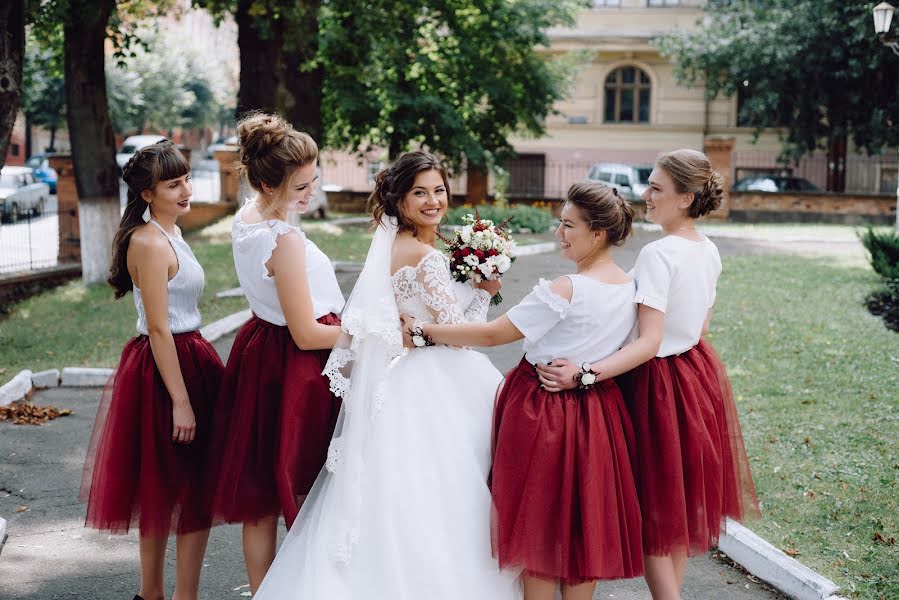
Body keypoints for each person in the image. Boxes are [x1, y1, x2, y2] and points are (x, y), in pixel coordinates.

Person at [251, 151, 520, 600]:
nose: (433, 201)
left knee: (404, 489)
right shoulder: (427, 257)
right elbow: (457, 335)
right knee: (446, 489)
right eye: (420, 192)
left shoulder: (396, 248)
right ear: (399, 200)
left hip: (406, 377)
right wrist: (485, 292)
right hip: (441, 379)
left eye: (438, 191)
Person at [536, 149, 759, 600]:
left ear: (686, 197)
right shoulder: (707, 249)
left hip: (654, 383)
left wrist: (585, 372)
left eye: (657, 188)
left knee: (653, 511)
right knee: (674, 509)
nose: (646, 195)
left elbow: (649, 341)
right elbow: (700, 326)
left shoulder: (659, 253)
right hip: (695, 377)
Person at [404, 182, 643, 600]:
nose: (559, 233)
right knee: (582, 521)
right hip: (596, 412)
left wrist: (425, 331)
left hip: (543, 410)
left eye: (568, 225)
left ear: (598, 232)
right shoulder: (629, 287)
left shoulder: (566, 289)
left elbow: (495, 334)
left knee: (539, 522)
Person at [205, 112, 345, 593]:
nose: (311, 193)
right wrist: (370, 332)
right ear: (267, 182)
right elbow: (306, 333)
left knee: (262, 493)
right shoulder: (280, 238)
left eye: (314, 181)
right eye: (301, 186)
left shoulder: (249, 217)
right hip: (299, 367)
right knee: (307, 487)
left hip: (261, 351)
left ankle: (266, 590)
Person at [81, 139, 224, 600]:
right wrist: (180, 402)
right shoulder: (146, 241)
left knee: (195, 487)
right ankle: (152, 594)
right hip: (165, 370)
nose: (185, 190)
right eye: (172, 184)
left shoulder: (173, 233)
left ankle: (182, 596)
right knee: (161, 487)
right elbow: (159, 329)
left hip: (193, 359)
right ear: (147, 194)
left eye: (185, 180)